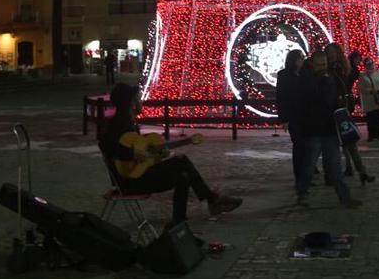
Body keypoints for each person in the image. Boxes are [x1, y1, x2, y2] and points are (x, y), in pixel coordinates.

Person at [99, 83, 241, 227]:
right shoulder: (118, 124)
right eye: (138, 99)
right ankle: (211, 200)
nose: (141, 102)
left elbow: (143, 157)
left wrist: (159, 154)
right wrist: (132, 153)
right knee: (181, 161)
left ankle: (179, 222)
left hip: (138, 175)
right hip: (129, 181)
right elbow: (106, 145)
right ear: (131, 103)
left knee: (182, 178)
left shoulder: (128, 123)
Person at [295, 51, 361, 207]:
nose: (322, 68)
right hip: (313, 129)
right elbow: (309, 102)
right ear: (312, 64)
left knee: (335, 165)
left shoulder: (332, 77)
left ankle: (344, 197)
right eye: (319, 65)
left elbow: (339, 95)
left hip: (329, 128)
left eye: (324, 64)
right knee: (309, 165)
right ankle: (302, 193)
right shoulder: (308, 80)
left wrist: (339, 101)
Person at [326, 43, 373, 185]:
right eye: (329, 52)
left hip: (342, 108)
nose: (332, 55)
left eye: (334, 52)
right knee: (334, 143)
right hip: (329, 109)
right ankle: (339, 171)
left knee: (349, 140)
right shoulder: (327, 69)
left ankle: (361, 171)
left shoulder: (344, 68)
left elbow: (350, 81)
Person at [276, 49, 308, 186]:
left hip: (306, 116)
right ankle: (299, 176)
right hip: (293, 116)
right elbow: (281, 97)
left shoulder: (305, 74)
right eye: (300, 58)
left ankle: (306, 175)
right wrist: (284, 119)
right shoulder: (284, 75)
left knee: (306, 147)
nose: (302, 60)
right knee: (298, 145)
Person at [357, 58, 379, 141]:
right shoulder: (362, 75)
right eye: (368, 64)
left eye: (371, 63)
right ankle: (371, 135)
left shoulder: (378, 73)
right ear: (365, 65)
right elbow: (360, 88)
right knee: (371, 119)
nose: (370, 65)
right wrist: (370, 91)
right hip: (369, 101)